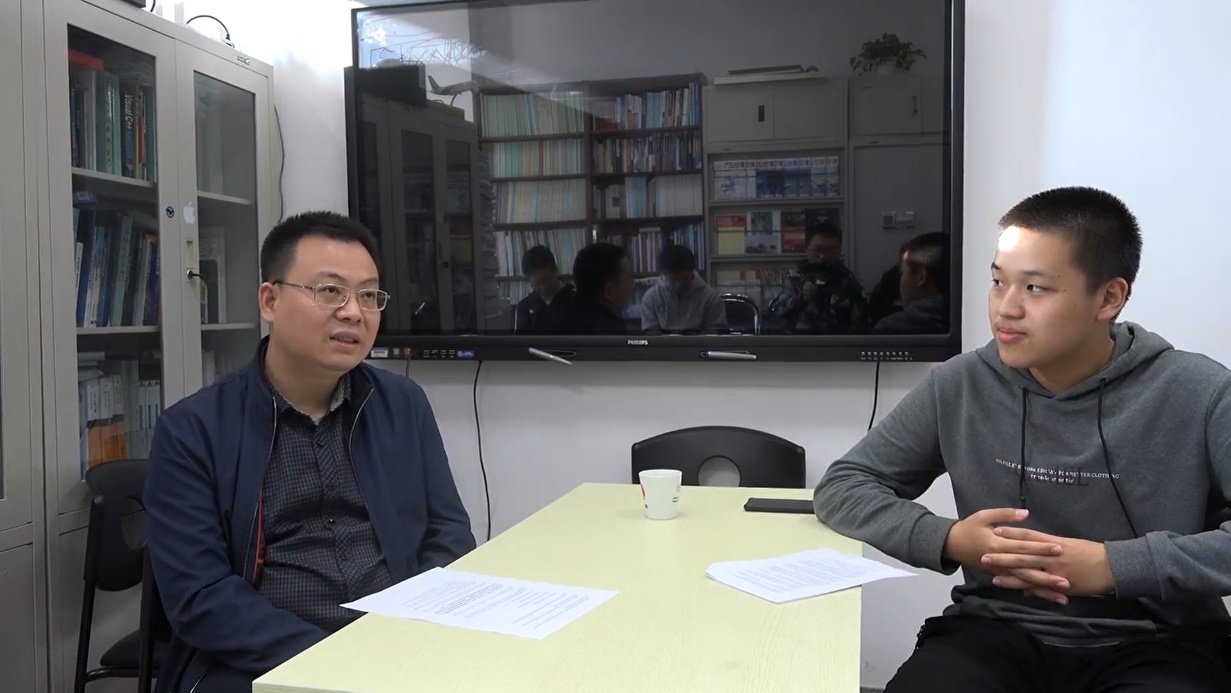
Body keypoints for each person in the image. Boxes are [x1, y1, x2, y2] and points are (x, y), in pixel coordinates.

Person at [813, 186, 1231, 692]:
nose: (1005, 308)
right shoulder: (961, 384)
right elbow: (843, 486)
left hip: (1162, 642)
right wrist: (950, 539)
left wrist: (1113, 567)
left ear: (1109, 297)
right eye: (997, 282)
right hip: (997, 630)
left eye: (1034, 288)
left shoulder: (1201, 391)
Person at [144, 211, 476, 693]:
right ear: (270, 300)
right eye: (330, 291)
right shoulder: (192, 430)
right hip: (259, 665)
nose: (353, 312)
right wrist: (333, 662)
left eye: (369, 295)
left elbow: (449, 535)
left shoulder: (403, 404)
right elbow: (201, 596)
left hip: (397, 647)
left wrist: (406, 634)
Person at [768, 222, 867, 333]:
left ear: (839, 251)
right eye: (817, 250)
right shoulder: (794, 277)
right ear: (807, 248)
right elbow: (776, 313)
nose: (823, 257)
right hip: (799, 340)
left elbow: (861, 325)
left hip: (838, 340)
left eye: (831, 251)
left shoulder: (847, 279)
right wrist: (801, 298)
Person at [639, 244, 727, 334]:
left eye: (684, 279)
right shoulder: (651, 297)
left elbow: (716, 335)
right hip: (663, 344)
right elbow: (650, 335)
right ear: (664, 274)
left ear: (692, 271)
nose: (679, 285)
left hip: (699, 343)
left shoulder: (711, 298)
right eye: (674, 279)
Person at [874, 231, 950, 333]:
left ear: (920, 276)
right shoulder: (965, 320)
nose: (899, 281)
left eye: (902, 273)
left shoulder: (889, 329)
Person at [569, 242, 634, 334]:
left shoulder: (564, 317)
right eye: (628, 278)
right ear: (609, 291)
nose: (631, 284)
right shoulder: (614, 335)